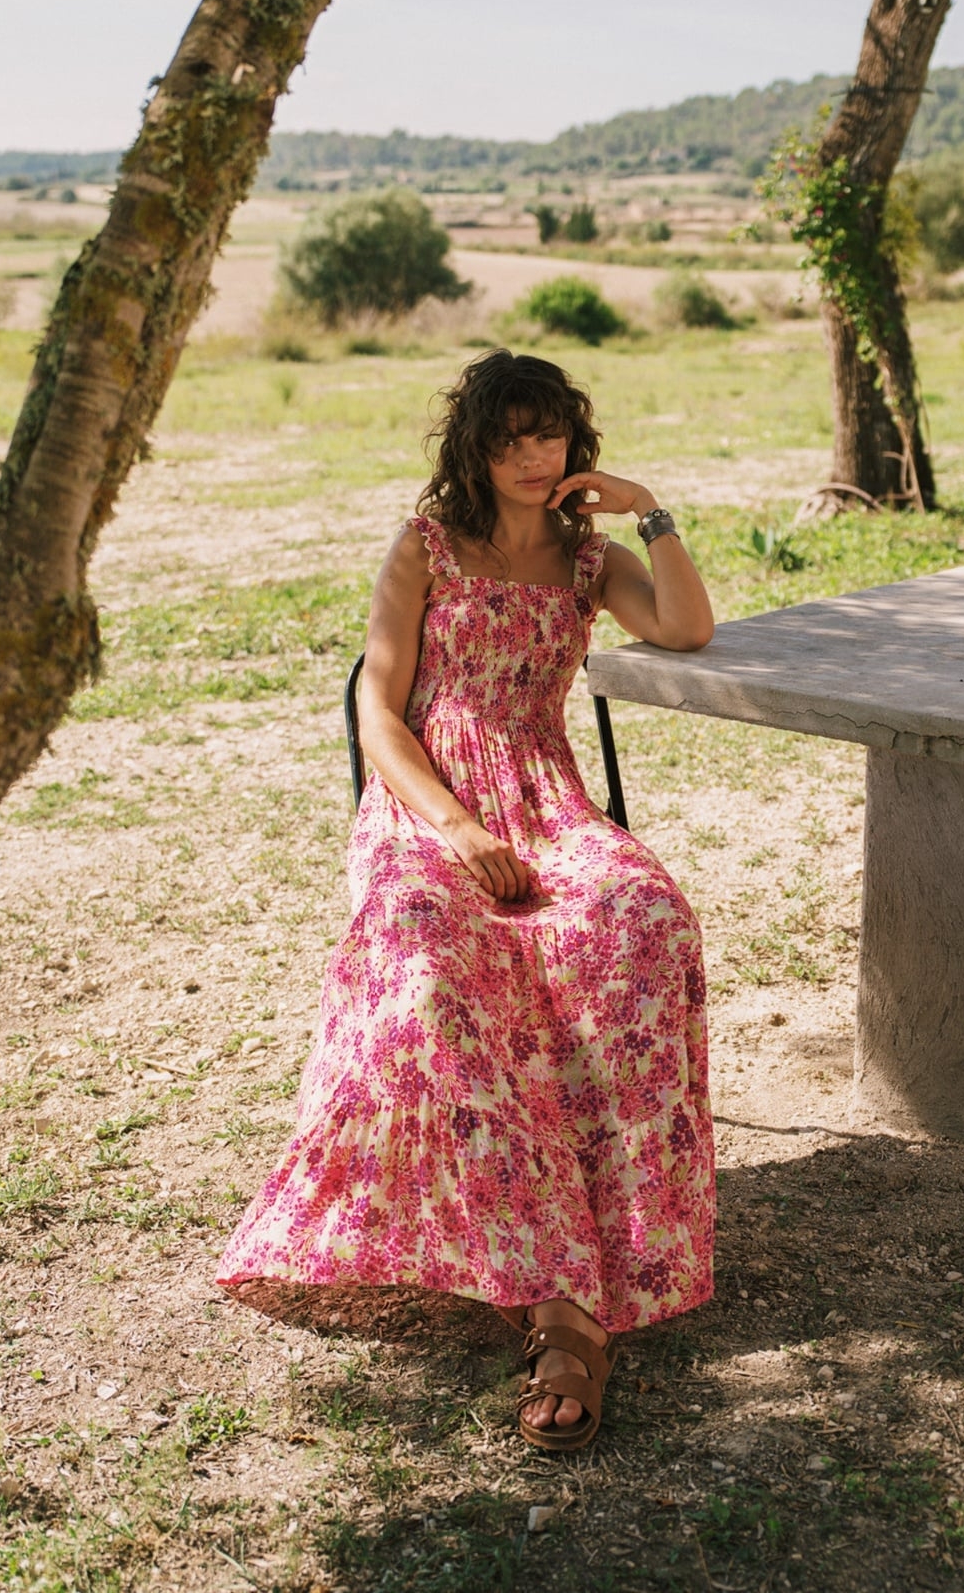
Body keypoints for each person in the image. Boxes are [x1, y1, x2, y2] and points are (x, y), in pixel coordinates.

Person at [218, 349, 717, 1451]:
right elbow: (381, 714)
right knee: (439, 960)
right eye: (513, 439)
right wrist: (457, 828)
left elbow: (685, 630)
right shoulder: (426, 547)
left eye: (553, 438)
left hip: (549, 801)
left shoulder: (590, 560)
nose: (537, 459)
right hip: (431, 805)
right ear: (478, 449)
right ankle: (562, 1310)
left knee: (638, 918)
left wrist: (652, 513)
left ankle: (613, 1241)